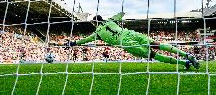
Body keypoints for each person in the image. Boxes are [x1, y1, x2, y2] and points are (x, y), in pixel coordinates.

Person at [67, 12, 200, 69]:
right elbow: (121, 13)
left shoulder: (97, 32)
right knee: (156, 44)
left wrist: (72, 43)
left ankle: (184, 63)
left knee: (153, 55)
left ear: (95, 23)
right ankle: (187, 55)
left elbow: (83, 40)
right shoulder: (111, 20)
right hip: (130, 33)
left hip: (126, 42)